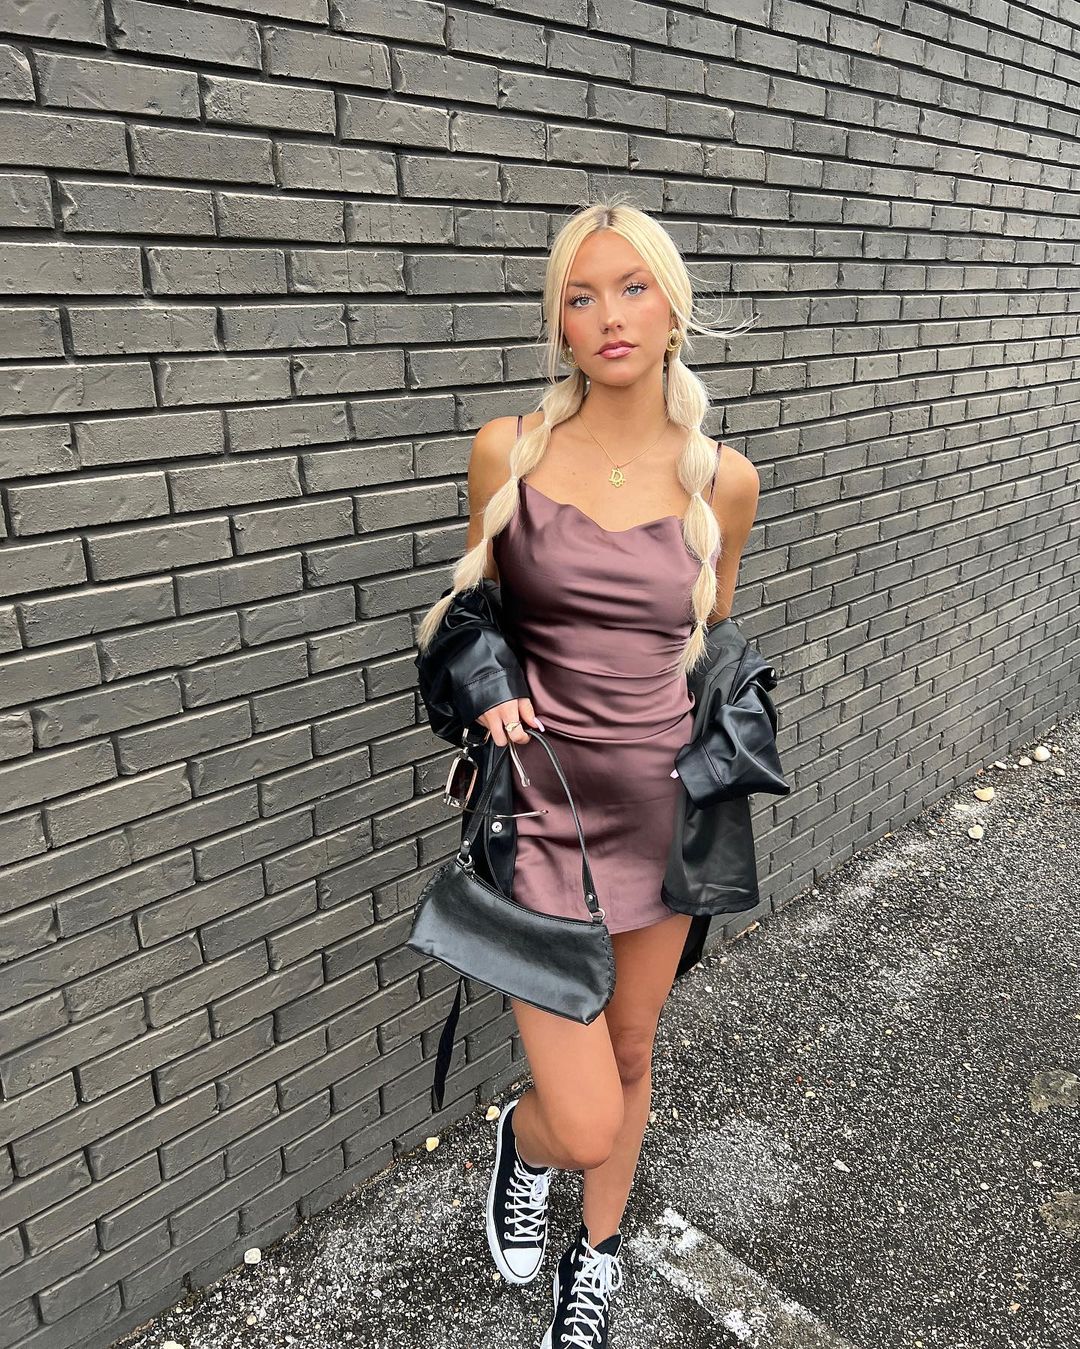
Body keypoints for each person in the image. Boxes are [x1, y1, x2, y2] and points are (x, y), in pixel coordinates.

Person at [414, 199, 761, 1348]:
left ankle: (594, 1254)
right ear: (559, 323)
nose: (609, 314)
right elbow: (468, 617)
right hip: (541, 813)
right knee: (582, 1111)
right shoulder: (508, 451)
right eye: (581, 294)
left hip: (664, 816)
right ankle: (526, 1142)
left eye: (632, 286)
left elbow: (707, 634)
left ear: (672, 308)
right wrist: (482, 675)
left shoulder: (726, 482)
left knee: (631, 1051)